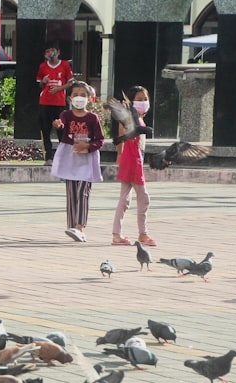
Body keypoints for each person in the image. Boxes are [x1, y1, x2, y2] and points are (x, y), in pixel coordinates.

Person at [50, 80, 104, 242]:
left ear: (90, 98)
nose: (79, 98)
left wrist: (87, 146)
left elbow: (100, 140)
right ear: (69, 99)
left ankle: (80, 227)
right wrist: (58, 125)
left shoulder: (93, 118)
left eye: (83, 95)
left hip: (86, 159)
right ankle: (72, 226)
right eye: (75, 95)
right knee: (72, 193)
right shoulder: (66, 115)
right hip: (70, 157)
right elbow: (62, 125)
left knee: (83, 192)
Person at [111, 85, 157, 246]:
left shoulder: (138, 119)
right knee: (143, 198)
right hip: (132, 161)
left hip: (132, 160)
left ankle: (117, 234)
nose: (143, 102)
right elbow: (122, 131)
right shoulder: (132, 118)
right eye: (139, 100)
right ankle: (142, 234)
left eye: (145, 99)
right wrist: (120, 154)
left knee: (125, 199)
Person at [37, 45, 74, 162]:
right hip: (45, 102)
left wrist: (59, 89)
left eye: (52, 50)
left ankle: (63, 157)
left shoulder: (65, 65)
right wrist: (43, 82)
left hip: (59, 103)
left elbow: (70, 83)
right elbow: (40, 84)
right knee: (45, 130)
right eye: (47, 51)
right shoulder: (43, 66)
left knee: (61, 130)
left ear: (58, 51)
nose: (50, 53)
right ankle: (48, 157)